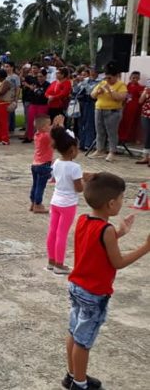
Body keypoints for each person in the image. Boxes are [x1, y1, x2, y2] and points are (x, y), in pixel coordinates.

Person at [62, 173, 150, 390]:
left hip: (77, 287)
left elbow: (95, 245)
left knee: (74, 332)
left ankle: (72, 375)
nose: (122, 202)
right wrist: (145, 248)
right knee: (83, 341)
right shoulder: (106, 229)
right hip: (94, 293)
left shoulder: (83, 219)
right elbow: (118, 262)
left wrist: (120, 233)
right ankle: (79, 385)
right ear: (111, 204)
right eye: (121, 198)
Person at [46, 126, 89, 275]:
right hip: (68, 204)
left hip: (55, 201)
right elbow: (79, 189)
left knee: (52, 231)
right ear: (72, 149)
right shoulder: (75, 167)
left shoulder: (56, 163)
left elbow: (57, 179)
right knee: (62, 234)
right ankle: (60, 264)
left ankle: (51, 261)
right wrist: (85, 181)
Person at [89, 64, 127, 162]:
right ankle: (99, 149)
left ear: (115, 76)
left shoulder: (121, 85)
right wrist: (98, 91)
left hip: (112, 111)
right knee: (99, 131)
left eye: (109, 78)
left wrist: (109, 89)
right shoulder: (102, 83)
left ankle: (112, 152)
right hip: (99, 109)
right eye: (106, 77)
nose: (108, 80)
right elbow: (92, 95)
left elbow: (120, 97)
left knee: (111, 133)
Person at [29, 115, 61, 214]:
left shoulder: (37, 134)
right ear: (43, 127)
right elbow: (56, 139)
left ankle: (33, 202)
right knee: (40, 186)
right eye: (49, 124)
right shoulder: (46, 136)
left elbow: (49, 131)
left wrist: (54, 125)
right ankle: (38, 204)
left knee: (35, 185)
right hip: (43, 164)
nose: (50, 126)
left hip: (35, 164)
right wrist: (60, 126)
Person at [119, 71, 142, 144]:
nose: (134, 79)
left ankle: (130, 138)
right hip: (126, 106)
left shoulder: (140, 87)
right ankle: (121, 137)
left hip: (135, 107)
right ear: (130, 78)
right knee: (123, 122)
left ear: (139, 79)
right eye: (133, 78)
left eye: (136, 78)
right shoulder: (125, 86)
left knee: (133, 123)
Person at [137, 81, 150, 167]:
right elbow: (140, 101)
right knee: (147, 134)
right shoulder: (147, 89)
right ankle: (146, 157)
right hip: (146, 113)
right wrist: (145, 91)